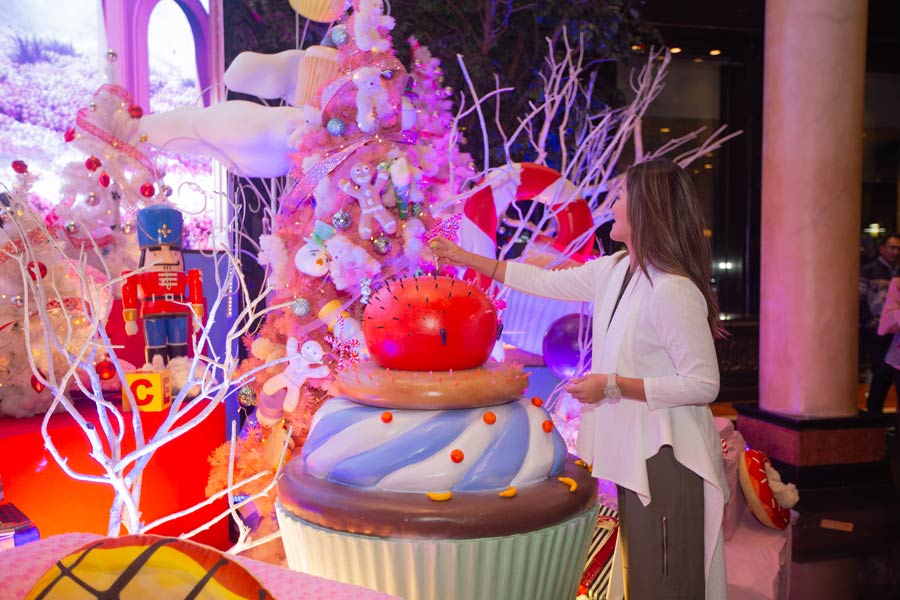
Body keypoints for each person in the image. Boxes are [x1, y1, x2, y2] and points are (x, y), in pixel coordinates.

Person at [430, 157, 728, 599]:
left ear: (646, 208)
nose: (613, 204)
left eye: (621, 196)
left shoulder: (673, 289)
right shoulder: (616, 270)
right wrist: (464, 257)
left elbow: (704, 384)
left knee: (667, 575)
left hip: (669, 454)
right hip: (638, 448)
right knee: (644, 569)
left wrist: (611, 385)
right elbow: (540, 281)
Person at [122, 205, 204, 366]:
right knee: (156, 350)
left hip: (179, 311)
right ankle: (157, 368)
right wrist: (130, 318)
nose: (167, 258)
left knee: (179, 350)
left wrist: (197, 315)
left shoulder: (188, 274)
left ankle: (179, 370)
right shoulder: (139, 275)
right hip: (152, 311)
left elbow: (196, 287)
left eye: (174, 253)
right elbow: (128, 286)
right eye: (156, 253)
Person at [860, 234, 900, 413]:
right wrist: (869, 321)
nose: (895, 252)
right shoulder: (870, 270)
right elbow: (860, 299)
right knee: (881, 373)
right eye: (892, 247)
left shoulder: (898, 272)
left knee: (891, 372)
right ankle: (874, 415)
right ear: (882, 248)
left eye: (898, 248)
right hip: (878, 329)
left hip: (897, 332)